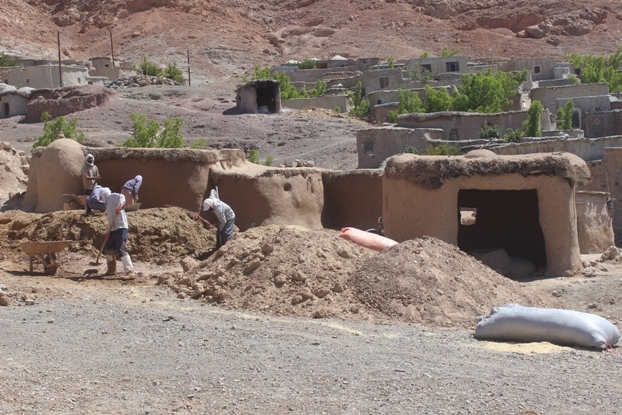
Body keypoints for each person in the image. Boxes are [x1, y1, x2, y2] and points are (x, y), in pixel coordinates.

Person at [100, 188, 135, 278]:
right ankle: (111, 270)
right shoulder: (108, 203)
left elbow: (121, 196)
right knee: (108, 248)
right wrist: (108, 231)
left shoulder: (111, 196)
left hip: (121, 227)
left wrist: (120, 206)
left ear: (103, 194)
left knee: (121, 248)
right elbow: (111, 220)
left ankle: (130, 272)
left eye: (101, 197)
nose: (101, 199)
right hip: (113, 229)